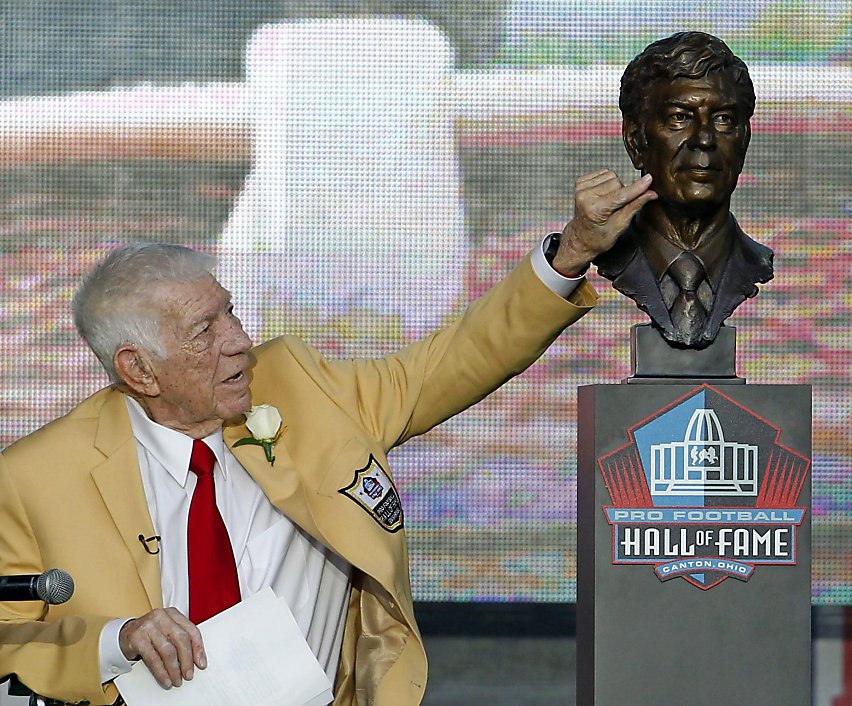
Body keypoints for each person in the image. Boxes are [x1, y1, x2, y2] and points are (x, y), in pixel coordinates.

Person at [0, 170, 655, 706]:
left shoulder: (301, 389)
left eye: (230, 309)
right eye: (206, 330)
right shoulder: (35, 478)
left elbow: (455, 360)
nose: (239, 340)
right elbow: (6, 641)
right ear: (138, 369)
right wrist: (118, 640)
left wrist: (572, 250)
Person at [594, 31, 773, 349]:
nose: (704, 138)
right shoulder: (600, 257)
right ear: (636, 141)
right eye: (679, 118)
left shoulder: (756, 262)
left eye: (723, 119)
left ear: (744, 141)